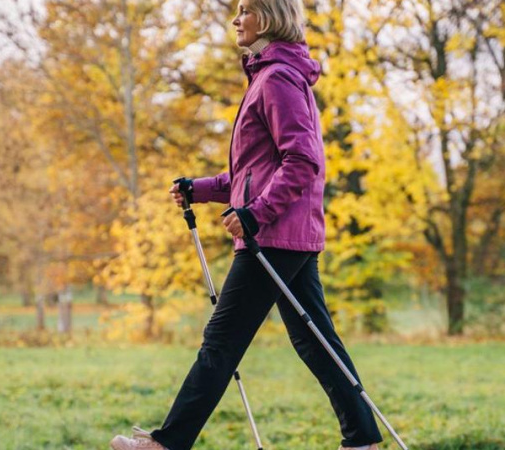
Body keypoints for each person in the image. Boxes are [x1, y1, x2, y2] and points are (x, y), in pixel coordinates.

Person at [110, 0, 382, 449]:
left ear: (269, 16)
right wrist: (198, 188)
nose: (236, 19)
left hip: (272, 236)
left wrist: (256, 214)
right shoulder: (269, 77)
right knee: (314, 340)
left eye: (245, 10)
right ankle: (362, 440)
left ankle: (166, 444)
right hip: (287, 234)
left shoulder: (276, 79)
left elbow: (303, 161)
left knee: (221, 341)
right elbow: (252, 174)